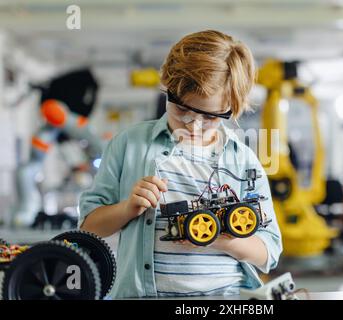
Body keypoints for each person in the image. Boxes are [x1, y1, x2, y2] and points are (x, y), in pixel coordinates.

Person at [79, 30, 282, 298]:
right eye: (182, 109)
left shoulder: (243, 160)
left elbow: (269, 252)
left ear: (231, 107)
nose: (193, 123)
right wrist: (127, 208)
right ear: (166, 87)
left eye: (209, 116)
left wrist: (223, 239)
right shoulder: (129, 144)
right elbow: (88, 228)